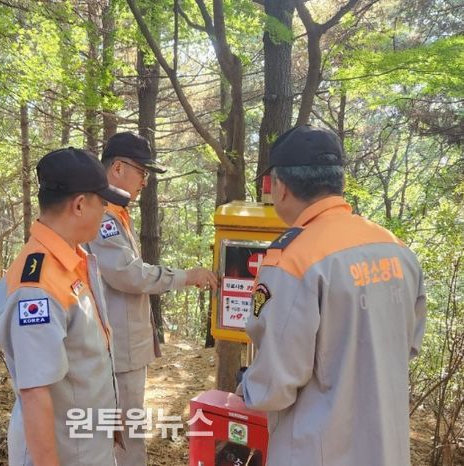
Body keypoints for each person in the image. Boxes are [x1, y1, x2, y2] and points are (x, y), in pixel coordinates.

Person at [237, 125, 427, 465]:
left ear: (280, 187)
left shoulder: (293, 259)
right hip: (387, 448)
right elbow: (407, 347)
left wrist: (246, 387)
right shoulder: (397, 250)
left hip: (317, 450)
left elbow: (276, 383)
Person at [86, 131, 218, 466]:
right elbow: (129, 275)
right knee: (126, 436)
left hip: (122, 344)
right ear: (117, 168)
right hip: (117, 347)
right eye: (141, 172)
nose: (144, 182)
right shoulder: (102, 217)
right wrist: (185, 276)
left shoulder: (116, 213)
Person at [0, 147, 130, 466]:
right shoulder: (37, 287)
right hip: (66, 454)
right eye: (102, 202)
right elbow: (35, 393)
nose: (106, 210)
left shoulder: (73, 261)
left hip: (87, 445)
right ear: (79, 205)